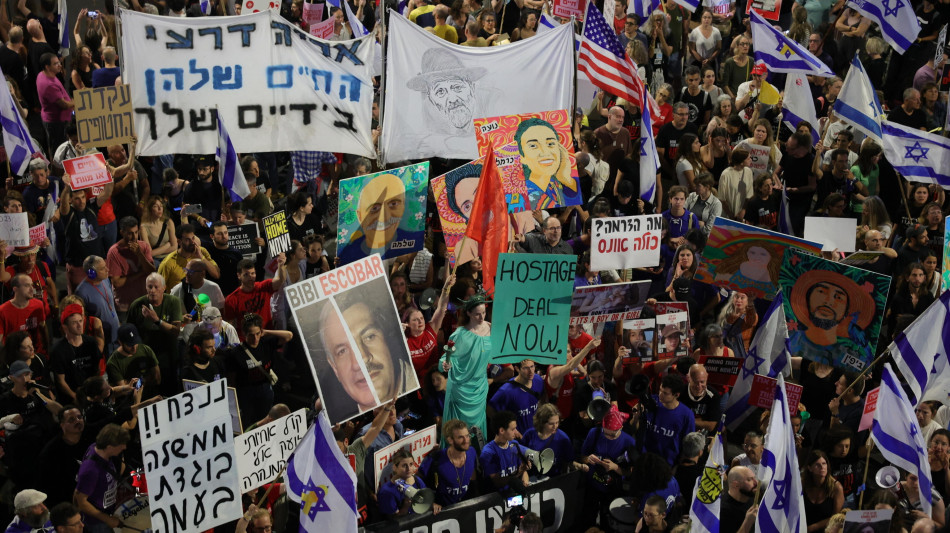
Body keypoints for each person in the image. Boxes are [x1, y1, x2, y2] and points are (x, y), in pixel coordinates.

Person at [787, 270, 876, 366]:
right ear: (808, 298)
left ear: (847, 311)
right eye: (821, 291)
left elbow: (862, 367)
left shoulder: (850, 359)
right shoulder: (787, 338)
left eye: (838, 297)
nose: (828, 301)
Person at [224, 313, 292, 428]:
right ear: (244, 334)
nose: (255, 338)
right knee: (248, 424)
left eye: (257, 334)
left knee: (267, 421)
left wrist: (266, 332)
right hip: (246, 393)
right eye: (251, 335)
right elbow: (232, 379)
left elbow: (288, 336)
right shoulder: (236, 353)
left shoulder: (266, 343)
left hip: (265, 390)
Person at [441, 294, 492, 441]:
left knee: (478, 432)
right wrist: (446, 364)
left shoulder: (491, 328)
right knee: (459, 429)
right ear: (468, 313)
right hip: (461, 388)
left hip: (480, 388)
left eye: (483, 313)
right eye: (477, 314)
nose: (481, 317)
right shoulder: (459, 335)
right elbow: (446, 357)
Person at [337, 172, 417, 264]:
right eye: (374, 208)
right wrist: (340, 262)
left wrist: (418, 244)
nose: (384, 218)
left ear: (403, 206)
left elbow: (405, 259)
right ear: (360, 216)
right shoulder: (349, 251)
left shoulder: (408, 239)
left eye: (393, 204)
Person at [127, 273, 183, 397]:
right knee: (149, 392)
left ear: (164, 288)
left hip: (168, 354)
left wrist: (157, 321)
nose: (152, 290)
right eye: (149, 287)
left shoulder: (173, 302)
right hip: (146, 355)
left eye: (156, 287)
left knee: (170, 390)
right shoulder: (136, 305)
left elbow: (175, 331)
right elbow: (129, 330)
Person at [74, 424, 129, 532]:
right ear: (109, 447)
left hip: (107, 510)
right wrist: (107, 519)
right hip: (96, 521)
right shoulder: (90, 470)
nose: (124, 447)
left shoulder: (95, 447)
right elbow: (81, 501)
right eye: (121, 446)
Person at [419, 418, 479, 506]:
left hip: (466, 509)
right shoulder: (437, 458)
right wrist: (431, 503)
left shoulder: (472, 452)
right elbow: (416, 481)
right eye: (460, 437)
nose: (466, 440)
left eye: (467, 436)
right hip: (443, 512)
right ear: (450, 440)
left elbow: (473, 477)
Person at [405, 275, 455, 382]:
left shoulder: (430, 329)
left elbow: (441, 308)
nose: (420, 321)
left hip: (437, 378)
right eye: (415, 320)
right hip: (416, 384)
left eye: (422, 318)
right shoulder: (404, 340)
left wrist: (446, 288)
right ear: (407, 324)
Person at [640, 374, 696, 465]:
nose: (660, 395)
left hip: (667, 463)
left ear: (676, 395)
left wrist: (676, 466)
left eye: (665, 393)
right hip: (645, 458)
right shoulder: (651, 402)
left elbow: (687, 444)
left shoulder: (686, 415)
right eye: (660, 390)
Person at [224, 257, 287, 337]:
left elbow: (281, 280)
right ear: (239, 276)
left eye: (253, 273)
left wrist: (281, 265)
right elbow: (230, 326)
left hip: (266, 335)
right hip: (246, 339)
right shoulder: (231, 299)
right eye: (246, 274)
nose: (250, 277)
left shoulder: (264, 287)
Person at [377, 447, 441, 518]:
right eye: (404, 465)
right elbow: (389, 521)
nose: (409, 469)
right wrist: (405, 507)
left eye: (411, 464)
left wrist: (432, 505)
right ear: (394, 467)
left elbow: (425, 499)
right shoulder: (387, 491)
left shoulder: (417, 480)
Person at [157, 224, 221, 292]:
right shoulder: (168, 263)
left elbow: (216, 274)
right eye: (187, 240)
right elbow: (158, 288)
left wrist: (202, 257)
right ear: (179, 242)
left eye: (193, 238)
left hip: (200, 298)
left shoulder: (202, 252)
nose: (192, 242)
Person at [480, 410, 530, 491]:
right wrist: (518, 473)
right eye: (513, 429)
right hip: (497, 499)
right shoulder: (488, 453)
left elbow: (523, 471)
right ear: (502, 431)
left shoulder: (514, 444)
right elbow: (498, 482)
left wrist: (525, 481)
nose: (516, 432)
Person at [520, 403, 574, 476]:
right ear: (541, 422)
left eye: (557, 422)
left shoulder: (563, 438)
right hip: (531, 478)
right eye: (551, 423)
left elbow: (568, 461)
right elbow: (520, 455)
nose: (555, 426)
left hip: (553, 478)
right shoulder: (529, 434)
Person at [802, 450, 844, 532]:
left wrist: (812, 527)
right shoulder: (803, 484)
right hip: (803, 529)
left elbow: (835, 518)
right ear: (809, 468)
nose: (822, 467)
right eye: (817, 465)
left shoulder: (836, 487)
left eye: (824, 463)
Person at [720, 466, 757, 533]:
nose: (756, 482)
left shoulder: (749, 497)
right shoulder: (723, 510)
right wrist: (748, 522)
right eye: (749, 480)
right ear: (736, 485)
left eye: (754, 478)